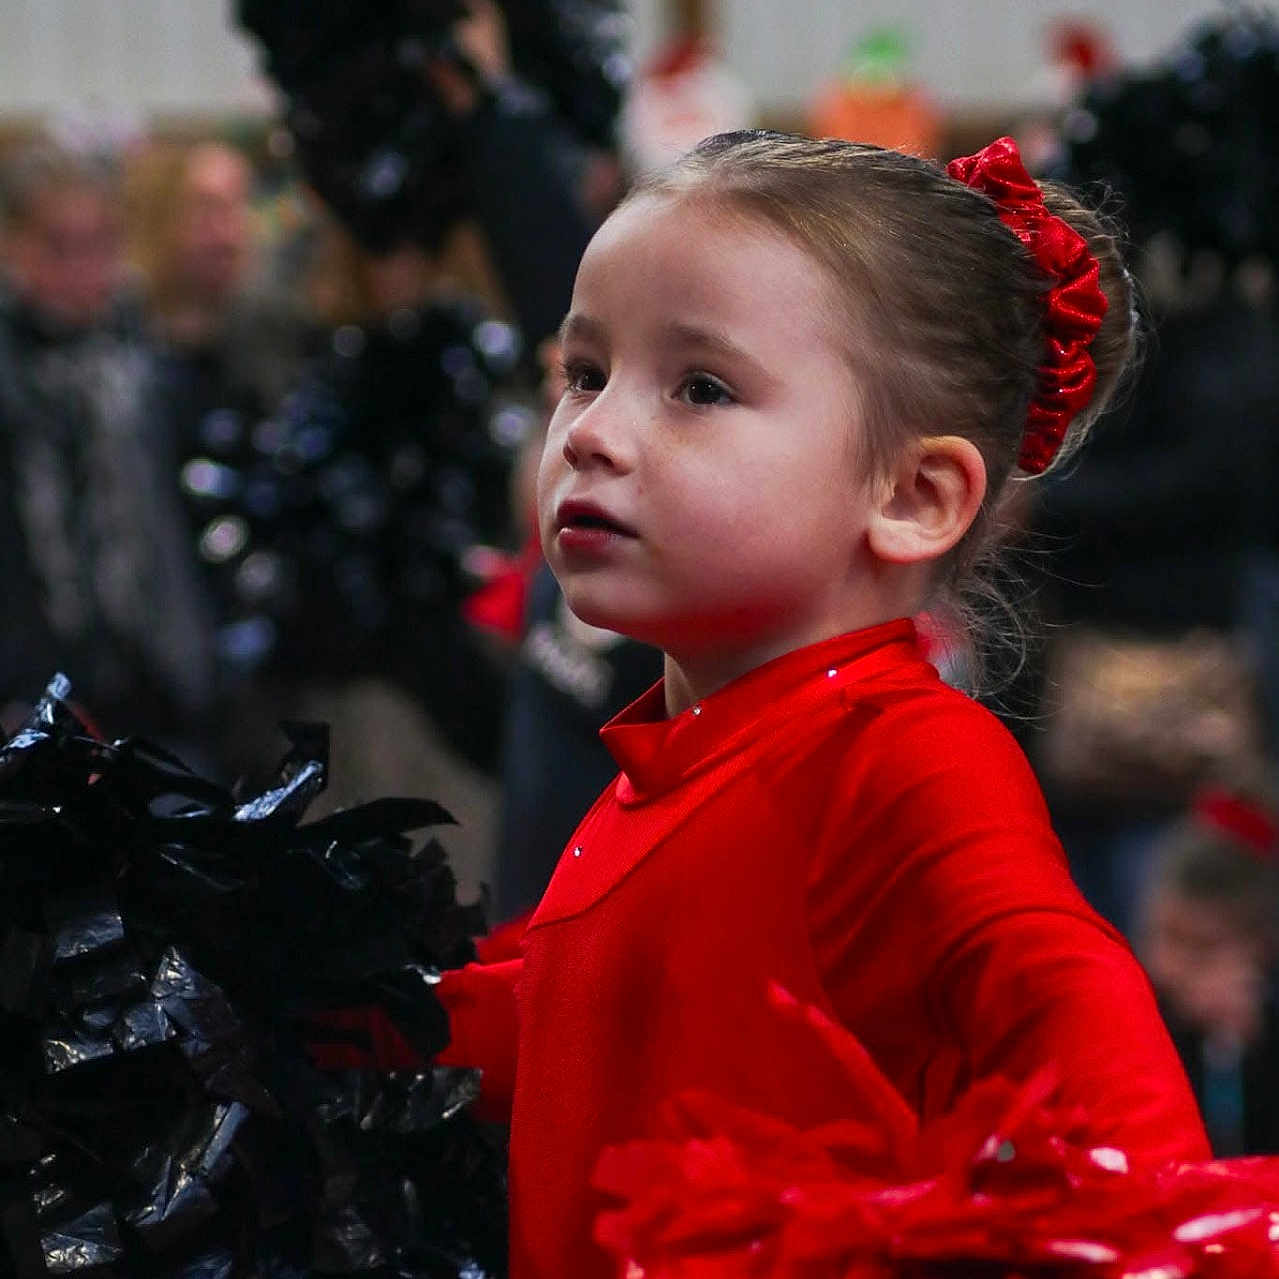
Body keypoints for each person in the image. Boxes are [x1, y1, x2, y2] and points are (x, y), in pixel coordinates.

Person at [429, 131, 1209, 1277]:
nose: (590, 434)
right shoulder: (678, 762)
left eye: (698, 388)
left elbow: (1099, 1075)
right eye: (584, 373)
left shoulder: (906, 755)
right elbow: (573, 1022)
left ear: (912, 494)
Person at [0, 138, 215, 748]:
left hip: (158, 684)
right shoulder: (12, 376)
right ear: (13, 244)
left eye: (98, 245)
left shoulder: (149, 366)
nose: (80, 270)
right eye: (58, 246)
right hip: (29, 696)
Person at [1136, 778, 1279, 1154]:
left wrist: (1247, 1050)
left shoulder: (1259, 1034)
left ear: (1261, 946)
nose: (1164, 966)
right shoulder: (1143, 1011)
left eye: (1200, 948)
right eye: (1162, 934)